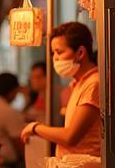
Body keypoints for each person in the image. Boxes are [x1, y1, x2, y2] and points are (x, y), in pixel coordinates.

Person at [21, 21, 100, 158]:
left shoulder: (93, 84)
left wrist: (35, 128)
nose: (55, 58)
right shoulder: (78, 83)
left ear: (80, 52)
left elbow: (70, 136)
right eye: (53, 53)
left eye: (59, 52)